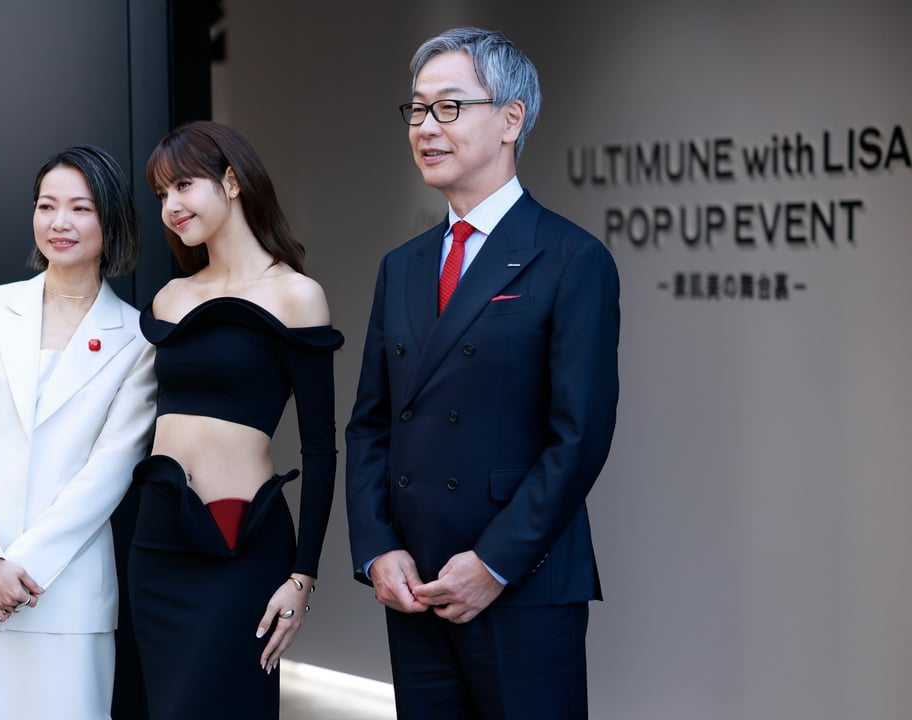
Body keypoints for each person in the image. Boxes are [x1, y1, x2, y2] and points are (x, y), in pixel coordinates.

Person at [345, 27, 620, 720]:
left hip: (522, 583)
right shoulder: (402, 265)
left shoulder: (570, 257)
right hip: (417, 583)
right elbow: (371, 424)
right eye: (416, 109)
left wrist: (493, 563)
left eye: (449, 107)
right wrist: (378, 548)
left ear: (510, 119)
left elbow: (578, 437)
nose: (425, 127)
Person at [0, 145, 158, 719]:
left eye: (80, 208)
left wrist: (20, 570)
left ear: (112, 220)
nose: (59, 222)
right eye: (47, 206)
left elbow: (110, 471)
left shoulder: (137, 339)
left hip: (64, 589)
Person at [127, 120, 344, 719]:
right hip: (158, 545)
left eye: (183, 186)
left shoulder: (296, 295)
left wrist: (303, 577)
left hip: (240, 543)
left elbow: (320, 448)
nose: (171, 207)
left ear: (230, 181)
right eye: (161, 194)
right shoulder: (170, 298)